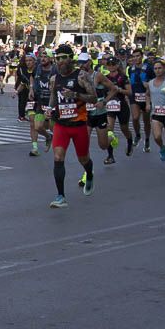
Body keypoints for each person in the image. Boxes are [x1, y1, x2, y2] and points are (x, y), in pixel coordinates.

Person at [46, 44, 97, 209]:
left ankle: (89, 173)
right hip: (61, 125)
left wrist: (75, 94)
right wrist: (49, 108)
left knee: (83, 158)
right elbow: (53, 97)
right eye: (58, 58)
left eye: (63, 57)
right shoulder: (54, 79)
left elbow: (94, 98)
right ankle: (61, 196)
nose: (60, 61)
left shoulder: (81, 76)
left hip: (79, 124)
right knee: (58, 157)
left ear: (71, 58)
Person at [28, 49, 55, 157]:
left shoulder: (55, 70)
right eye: (41, 57)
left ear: (51, 58)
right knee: (37, 126)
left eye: (45, 57)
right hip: (41, 102)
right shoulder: (38, 68)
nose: (43, 59)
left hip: (52, 103)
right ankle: (48, 137)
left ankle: (58, 150)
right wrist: (31, 89)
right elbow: (32, 77)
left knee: (53, 127)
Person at [128, 48, 153, 153]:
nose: (136, 58)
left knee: (146, 121)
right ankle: (138, 135)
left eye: (138, 56)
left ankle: (147, 139)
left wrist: (148, 85)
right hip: (135, 96)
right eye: (134, 56)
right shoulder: (130, 69)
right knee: (135, 117)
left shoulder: (149, 68)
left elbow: (154, 82)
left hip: (146, 96)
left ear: (142, 56)